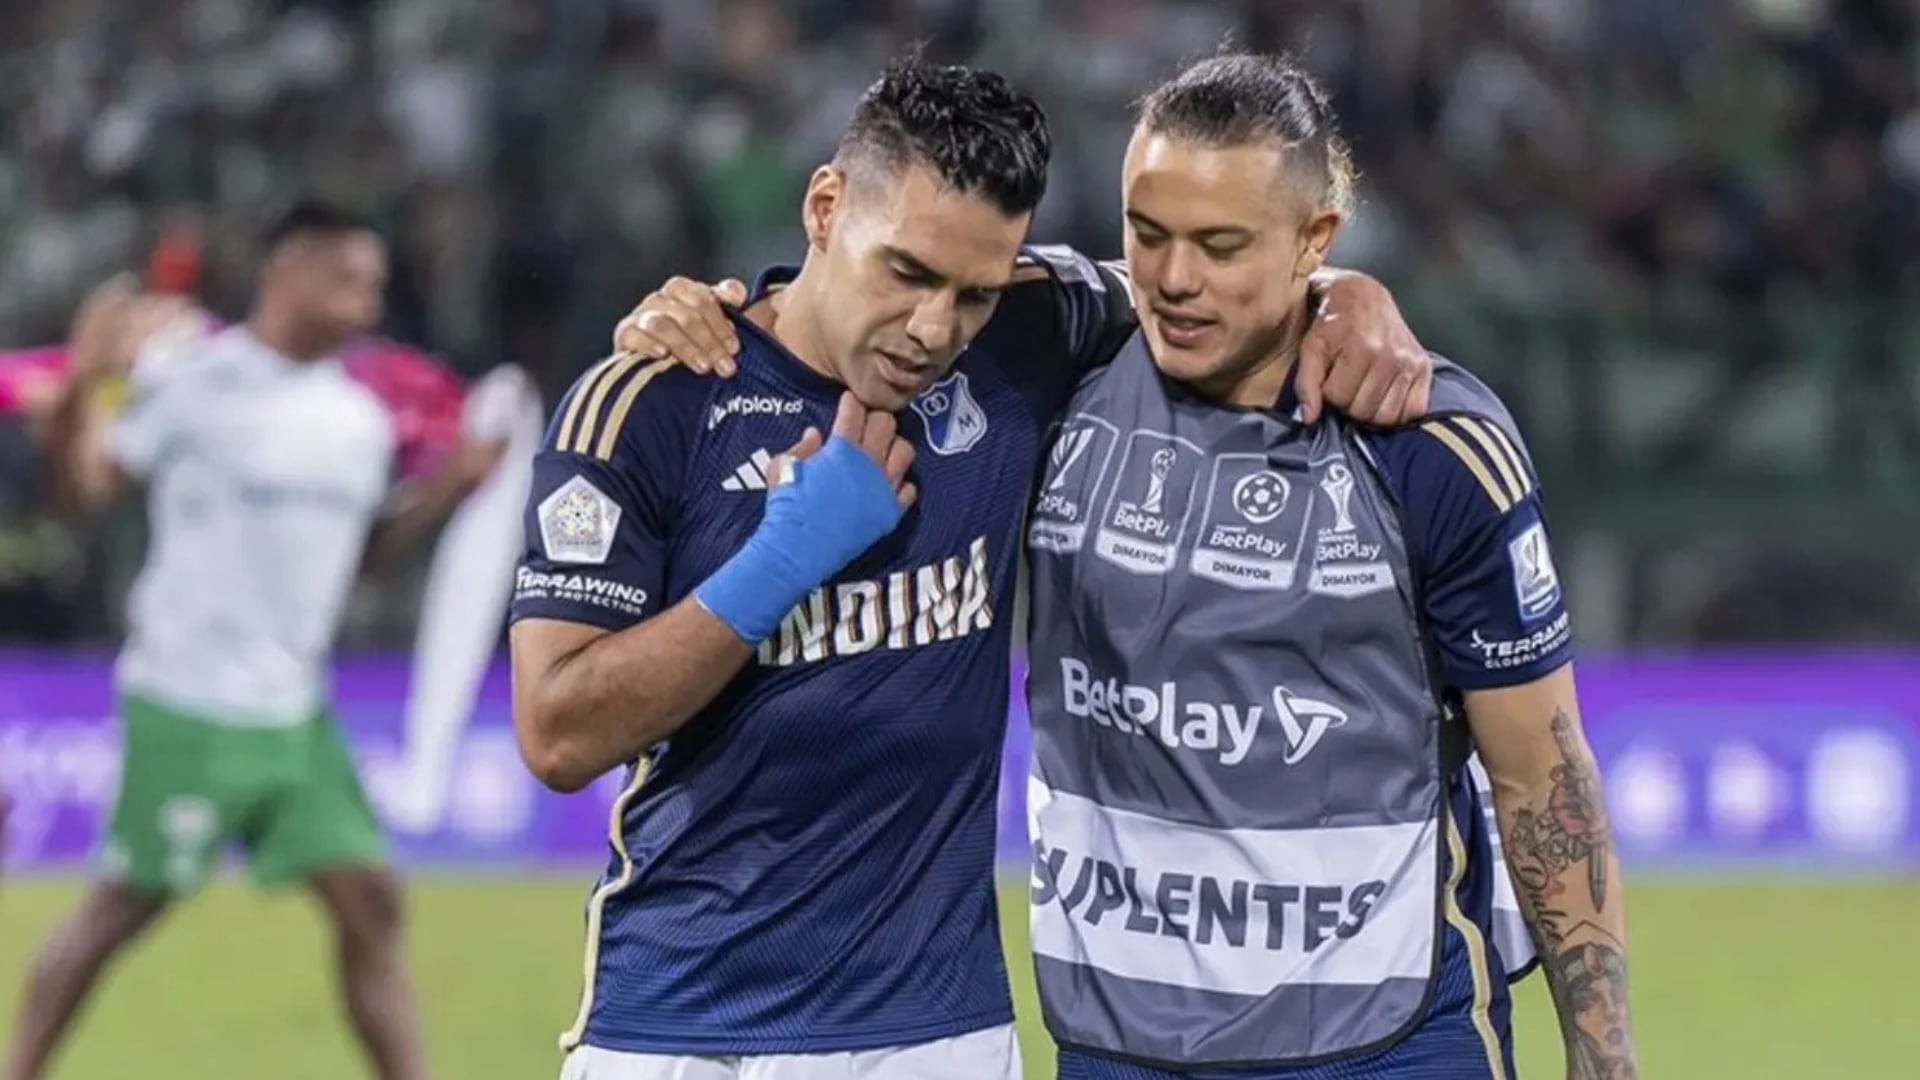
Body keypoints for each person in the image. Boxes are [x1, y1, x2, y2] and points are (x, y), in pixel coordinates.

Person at [609, 50, 1639, 1080]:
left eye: (1223, 245)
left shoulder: (1425, 442)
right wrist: (710, 321)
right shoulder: (1050, 365)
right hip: (1120, 1047)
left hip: (1384, 1043)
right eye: (1150, 235)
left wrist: (1605, 1059)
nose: (1176, 278)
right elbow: (866, 287)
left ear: (1312, 241)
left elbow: (1542, 774)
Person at [3, 201, 502, 1080]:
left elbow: (360, 565)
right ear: (287, 273)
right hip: (189, 699)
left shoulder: (358, 417)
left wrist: (446, 491)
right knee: (119, 911)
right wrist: (85, 376)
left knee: (371, 900)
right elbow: (85, 494)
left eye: (374, 283)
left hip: (294, 711)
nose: (367, 298)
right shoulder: (194, 383)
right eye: (348, 278)